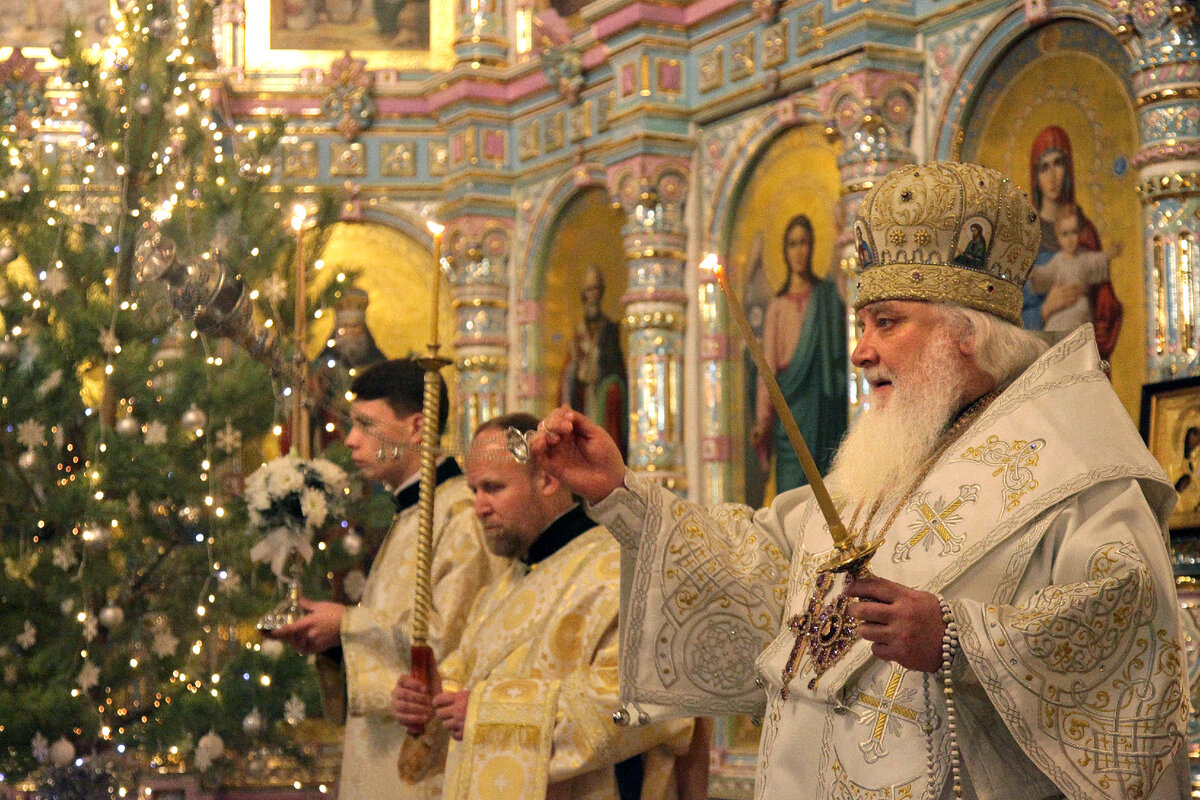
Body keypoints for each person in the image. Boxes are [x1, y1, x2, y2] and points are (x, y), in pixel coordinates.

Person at [528, 162, 1190, 799]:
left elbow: (1129, 635)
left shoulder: (1072, 460)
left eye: (887, 322)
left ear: (966, 332)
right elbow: (758, 566)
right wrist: (621, 496)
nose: (859, 350)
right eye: (862, 324)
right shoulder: (888, 458)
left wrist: (959, 637)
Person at [390, 413, 697, 800]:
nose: (479, 507)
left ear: (548, 481)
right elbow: (463, 683)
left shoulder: (621, 570)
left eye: (493, 488)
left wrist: (489, 714)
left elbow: (649, 701)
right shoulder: (502, 587)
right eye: (474, 491)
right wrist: (433, 699)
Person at [268, 359, 503, 800]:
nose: (351, 440)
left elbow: (447, 644)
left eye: (365, 424)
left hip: (421, 764)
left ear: (417, 427)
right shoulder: (411, 515)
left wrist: (347, 625)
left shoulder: (457, 516)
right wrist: (335, 641)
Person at [749, 214, 848, 492]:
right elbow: (766, 372)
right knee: (792, 496)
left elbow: (850, 296)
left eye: (804, 242)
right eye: (792, 243)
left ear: (812, 246)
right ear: (784, 250)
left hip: (825, 409)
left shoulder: (827, 296)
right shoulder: (777, 307)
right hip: (792, 413)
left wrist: (844, 240)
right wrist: (763, 421)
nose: (799, 250)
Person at [1023, 125, 1123, 358]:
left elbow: (1106, 301)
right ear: (1035, 175)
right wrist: (1045, 309)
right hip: (1040, 352)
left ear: (1068, 170)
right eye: (1044, 167)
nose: (1052, 176)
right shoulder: (1026, 236)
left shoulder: (1086, 231)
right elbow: (1010, 313)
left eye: (1059, 164)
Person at [561, 264, 628, 457]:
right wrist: (575, 370)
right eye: (589, 290)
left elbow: (618, 371)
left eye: (596, 290)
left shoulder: (610, 330)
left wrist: (606, 381)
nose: (593, 295)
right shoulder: (577, 334)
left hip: (603, 399)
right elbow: (567, 375)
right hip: (582, 399)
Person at [1027, 213, 1117, 333]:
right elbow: (1046, 273)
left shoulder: (1084, 257)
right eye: (1065, 234)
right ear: (1058, 237)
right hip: (1060, 307)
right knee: (1051, 327)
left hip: (1079, 304)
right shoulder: (1057, 260)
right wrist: (1035, 275)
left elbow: (1098, 261)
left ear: (1079, 233)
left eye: (1073, 232)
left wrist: (1108, 255)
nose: (1070, 239)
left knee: (1073, 327)